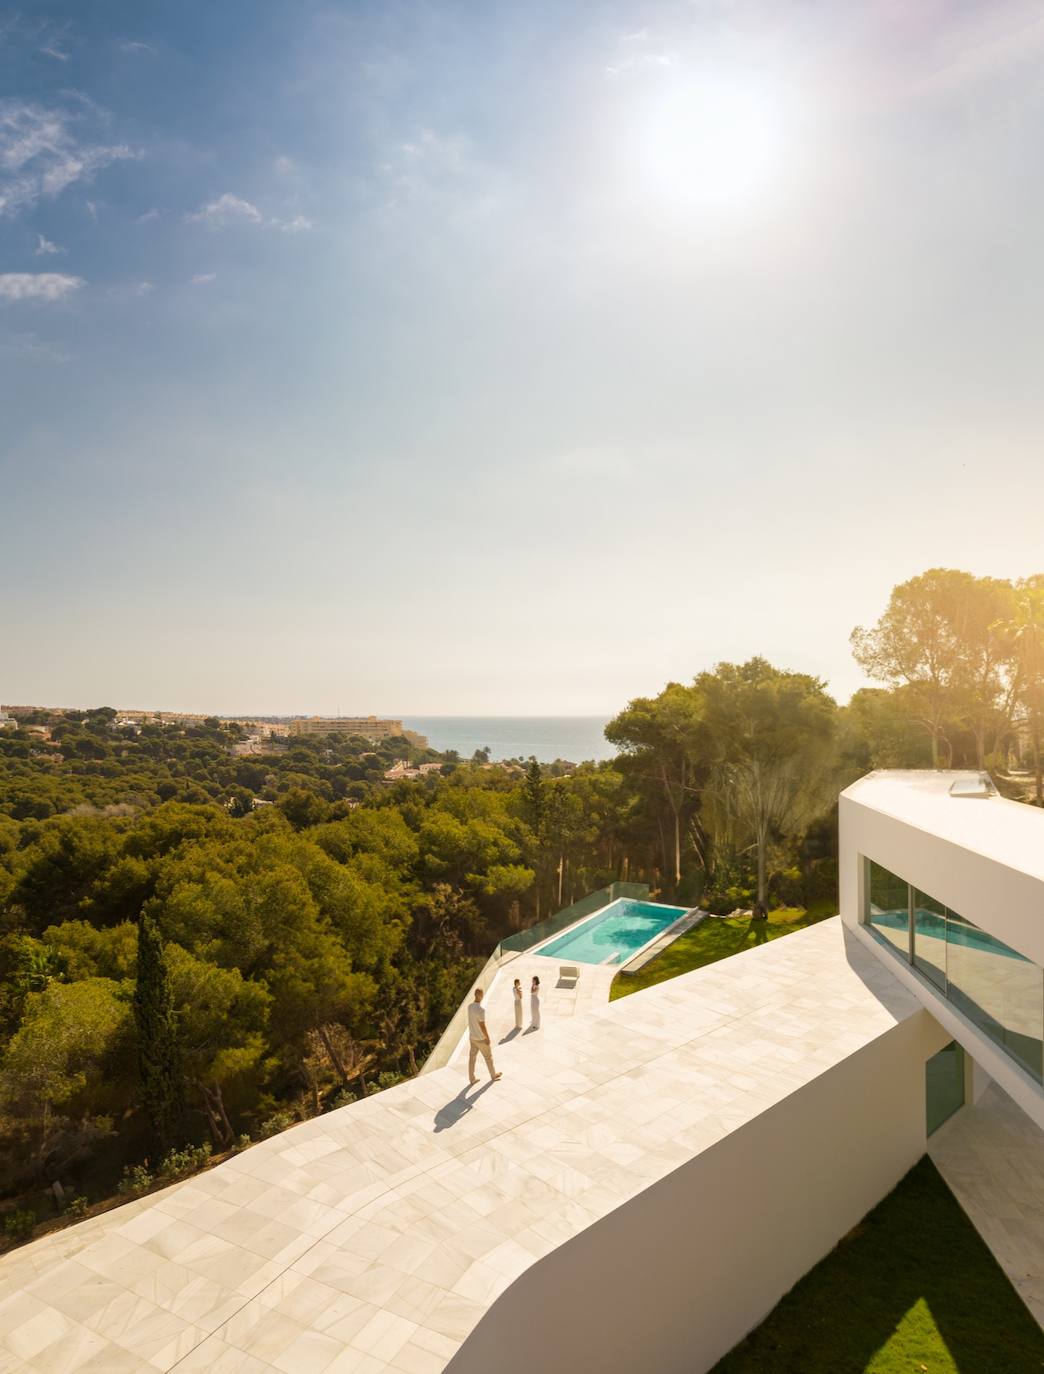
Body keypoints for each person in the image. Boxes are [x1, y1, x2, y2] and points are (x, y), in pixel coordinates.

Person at [467, 988, 501, 1085]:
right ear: (480, 996)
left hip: (472, 1037)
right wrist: (487, 1037)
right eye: (482, 995)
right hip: (480, 1039)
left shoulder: (469, 1007)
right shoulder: (481, 1010)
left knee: (472, 1058)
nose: (482, 996)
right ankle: (493, 1075)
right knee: (488, 1057)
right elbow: (482, 1026)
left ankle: (472, 1079)